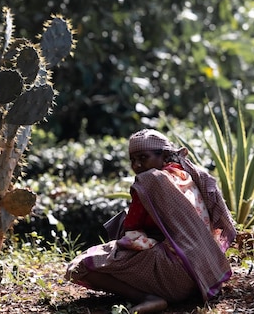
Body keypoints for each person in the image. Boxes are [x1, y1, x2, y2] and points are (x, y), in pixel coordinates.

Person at [65, 129, 237, 313]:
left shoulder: (149, 181)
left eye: (143, 157)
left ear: (163, 156)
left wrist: (119, 245)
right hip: (204, 274)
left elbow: (133, 237)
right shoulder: (190, 175)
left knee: (80, 266)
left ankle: (149, 298)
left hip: (174, 278)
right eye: (133, 160)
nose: (137, 164)